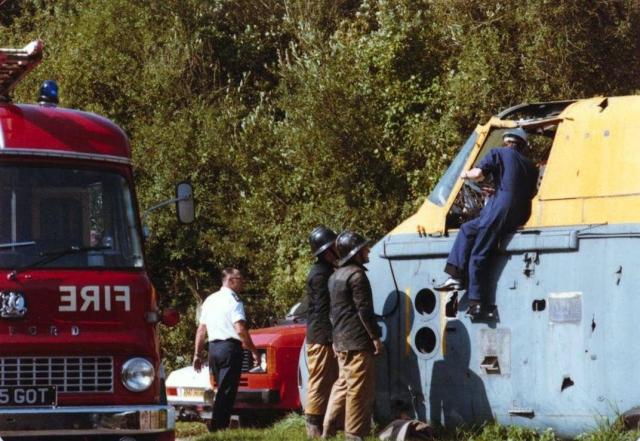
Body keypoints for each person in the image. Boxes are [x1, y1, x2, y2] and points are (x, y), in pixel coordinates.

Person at [435, 128, 539, 317]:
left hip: (500, 209)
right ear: (522, 145)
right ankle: (455, 274)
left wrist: (464, 174)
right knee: (468, 229)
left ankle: (476, 302)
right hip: (521, 213)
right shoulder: (530, 166)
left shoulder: (498, 153)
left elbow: (478, 175)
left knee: (478, 253)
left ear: (506, 141)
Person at [323, 230, 382, 441]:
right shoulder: (357, 275)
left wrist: (335, 340)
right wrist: (375, 337)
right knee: (359, 391)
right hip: (357, 343)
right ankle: (354, 436)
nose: (368, 251)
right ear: (356, 252)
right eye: (365, 248)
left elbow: (333, 313)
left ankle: (326, 431)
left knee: (342, 385)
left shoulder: (334, 276)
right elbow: (363, 310)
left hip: (341, 342)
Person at [193, 267, 259, 431]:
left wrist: (197, 354)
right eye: (239, 279)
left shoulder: (210, 300)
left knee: (220, 390)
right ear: (230, 281)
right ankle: (218, 429)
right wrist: (253, 350)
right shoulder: (233, 300)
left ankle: (218, 426)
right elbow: (240, 329)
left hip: (214, 349)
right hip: (229, 348)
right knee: (226, 392)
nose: (242, 282)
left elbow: (201, 330)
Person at [305, 226, 340, 438]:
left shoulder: (326, 271)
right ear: (327, 251)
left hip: (324, 334)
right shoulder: (320, 275)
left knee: (329, 380)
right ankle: (313, 427)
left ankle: (328, 424)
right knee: (318, 382)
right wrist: (331, 337)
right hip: (321, 336)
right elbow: (322, 310)